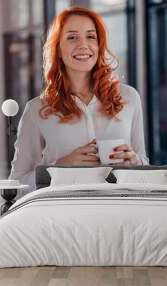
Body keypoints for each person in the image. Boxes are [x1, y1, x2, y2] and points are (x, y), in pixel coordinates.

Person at [9, 7, 149, 192]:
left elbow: (145, 167)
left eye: (90, 37)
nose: (83, 45)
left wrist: (135, 162)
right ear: (58, 48)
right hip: (63, 209)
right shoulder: (37, 109)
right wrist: (61, 167)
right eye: (72, 37)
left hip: (120, 206)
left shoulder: (129, 97)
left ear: (99, 45)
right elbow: (17, 182)